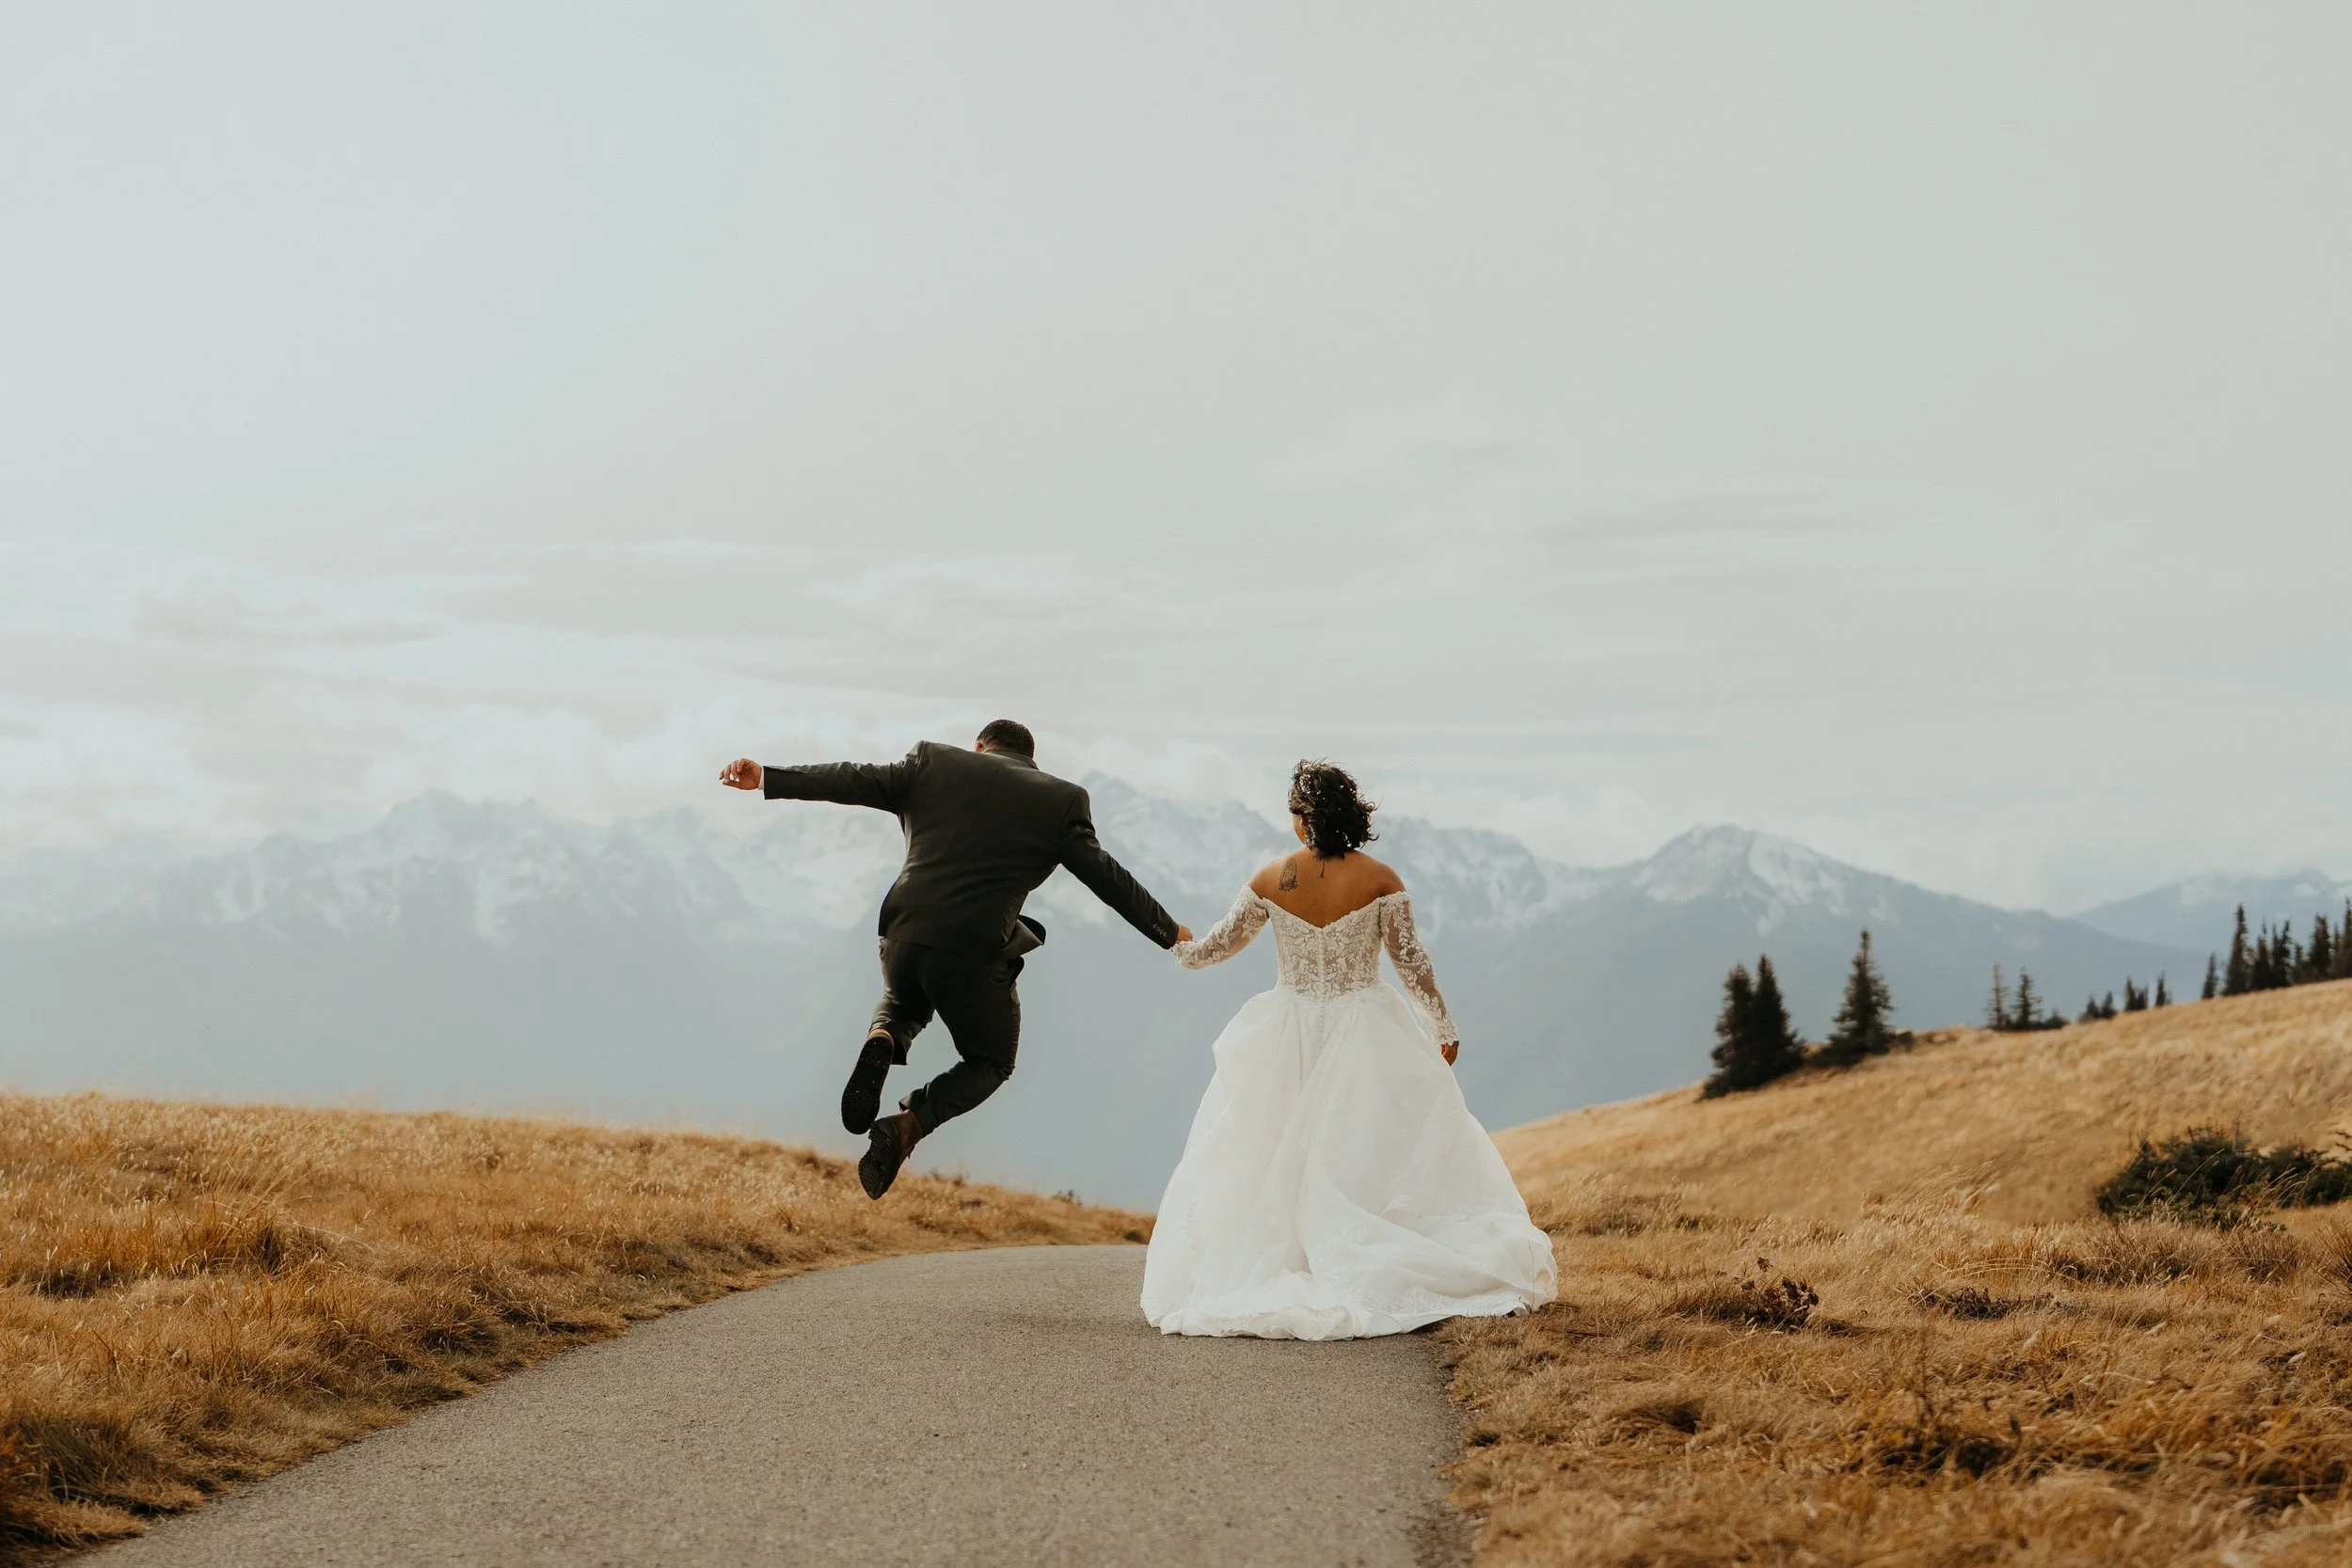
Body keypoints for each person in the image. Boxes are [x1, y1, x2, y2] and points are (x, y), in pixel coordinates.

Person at [1142, 760, 1556, 1339]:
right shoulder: (1381, 879)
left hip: (1286, 1031)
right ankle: (1358, 1247)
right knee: (1361, 1145)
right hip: (1364, 1025)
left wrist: (1174, 940)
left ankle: (1287, 1256)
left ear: (1305, 817)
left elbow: (1214, 950)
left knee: (1273, 1145)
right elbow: (1413, 965)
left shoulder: (1269, 878)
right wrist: (1442, 1024)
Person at [720, 721, 1191, 1198]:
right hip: (974, 955)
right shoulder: (1061, 800)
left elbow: (850, 778)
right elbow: (1108, 878)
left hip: (903, 935)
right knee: (990, 1061)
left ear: (980, 747)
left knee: (901, 1000)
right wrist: (1170, 932)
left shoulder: (930, 762)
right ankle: (908, 1125)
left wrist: (767, 777)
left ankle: (884, 1034)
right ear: (1030, 759)